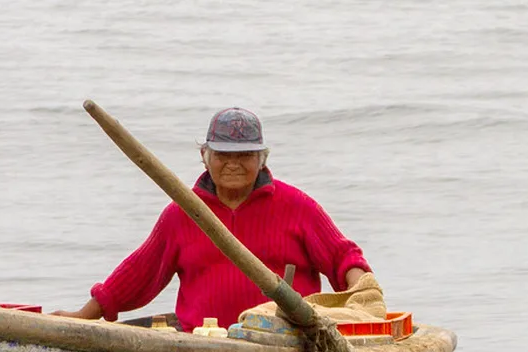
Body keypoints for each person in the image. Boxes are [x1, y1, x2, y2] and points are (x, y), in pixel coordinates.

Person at [52, 107, 372, 332]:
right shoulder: (182, 213)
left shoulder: (298, 207)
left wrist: (364, 297)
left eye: (244, 156)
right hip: (204, 347)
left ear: (262, 160)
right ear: (205, 157)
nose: (233, 165)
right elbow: (140, 272)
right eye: (223, 156)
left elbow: (343, 258)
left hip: (286, 342)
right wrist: (84, 315)